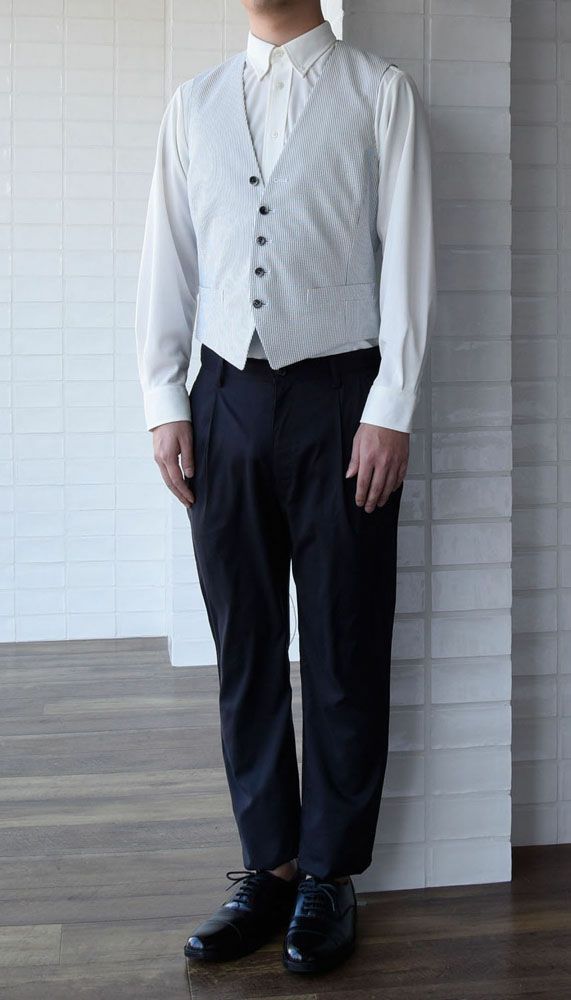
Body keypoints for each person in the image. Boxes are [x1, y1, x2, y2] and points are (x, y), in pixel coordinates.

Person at [135, 0, 436, 977]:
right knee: (246, 641)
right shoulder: (192, 104)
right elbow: (168, 256)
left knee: (345, 636)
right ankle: (268, 866)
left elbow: (409, 255)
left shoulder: (379, 94)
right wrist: (163, 398)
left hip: (341, 396)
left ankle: (329, 874)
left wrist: (391, 405)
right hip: (221, 395)